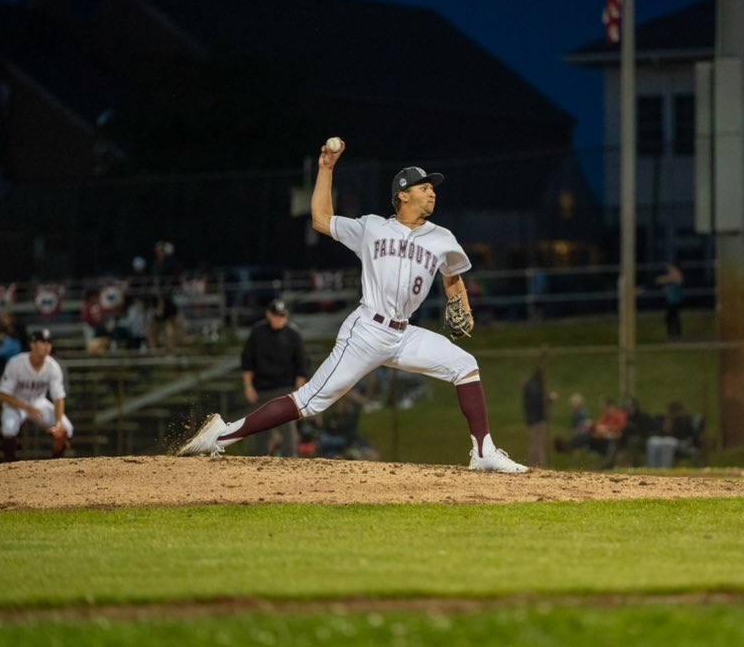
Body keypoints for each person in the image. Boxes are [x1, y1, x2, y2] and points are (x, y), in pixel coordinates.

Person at [177, 136, 527, 473]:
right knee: (310, 401)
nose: (431, 190)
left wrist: (462, 307)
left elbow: (453, 277)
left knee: (464, 364)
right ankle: (221, 435)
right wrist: (326, 168)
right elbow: (320, 219)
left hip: (404, 334)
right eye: (423, 186)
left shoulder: (442, 237)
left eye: (432, 187)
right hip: (367, 331)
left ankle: (483, 452)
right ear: (402, 194)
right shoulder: (372, 227)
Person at [240, 298, 309, 457]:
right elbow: (247, 361)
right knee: (260, 428)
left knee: (288, 428)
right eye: (276, 316)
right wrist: (248, 386)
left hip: (285, 389)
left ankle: (290, 460)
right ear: (268, 314)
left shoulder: (293, 334)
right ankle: (257, 459)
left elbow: (302, 366)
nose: (279, 320)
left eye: (282, 316)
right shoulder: (257, 332)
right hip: (262, 388)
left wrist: (298, 393)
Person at [0, 328, 74, 461]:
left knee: (67, 428)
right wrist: (26, 408)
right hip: (16, 403)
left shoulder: (53, 366)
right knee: (9, 428)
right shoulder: (16, 363)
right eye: (42, 342)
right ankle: (10, 468)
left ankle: (56, 465)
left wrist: (59, 423)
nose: (46, 346)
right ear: (32, 344)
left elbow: (59, 398)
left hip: (38, 402)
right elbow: (2, 394)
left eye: (49, 342)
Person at [646, 400, 702, 469]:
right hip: (666, 440)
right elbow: (662, 432)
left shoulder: (686, 419)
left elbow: (690, 436)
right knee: (652, 441)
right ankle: (652, 469)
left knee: (668, 442)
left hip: (683, 443)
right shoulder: (666, 419)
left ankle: (664, 468)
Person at [522, 367, 552, 468]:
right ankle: (540, 465)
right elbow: (540, 402)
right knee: (539, 444)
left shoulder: (529, 386)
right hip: (539, 419)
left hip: (532, 419)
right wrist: (549, 400)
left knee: (534, 444)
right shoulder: (537, 388)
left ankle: (533, 464)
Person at [0, 311, 25, 378]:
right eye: (2, 318)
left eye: (5, 318)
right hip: (5, 361)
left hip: (14, 360)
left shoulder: (16, 332)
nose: (4, 320)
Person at [655, 260, 684, 338]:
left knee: (671, 317)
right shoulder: (674, 274)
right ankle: (674, 334)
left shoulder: (677, 274)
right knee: (672, 317)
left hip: (675, 300)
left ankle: (673, 334)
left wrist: (662, 279)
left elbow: (669, 279)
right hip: (671, 300)